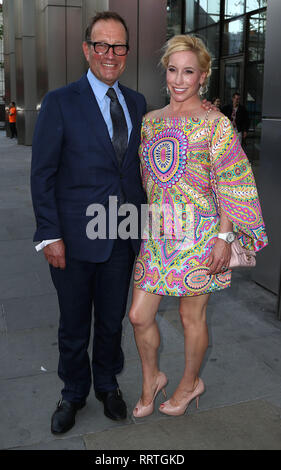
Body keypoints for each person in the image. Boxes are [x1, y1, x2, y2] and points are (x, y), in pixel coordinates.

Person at [129, 35, 268, 418]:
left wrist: (224, 238)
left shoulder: (216, 124)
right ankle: (151, 378)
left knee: (193, 317)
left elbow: (233, 182)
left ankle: (189, 384)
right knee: (139, 315)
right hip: (158, 234)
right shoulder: (149, 123)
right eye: (173, 70)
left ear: (202, 76)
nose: (178, 79)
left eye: (188, 71)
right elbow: (149, 182)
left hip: (202, 237)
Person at [31, 11, 148, 434]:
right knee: (74, 321)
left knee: (113, 319)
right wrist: (49, 235)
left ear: (127, 52)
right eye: (101, 45)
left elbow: (141, 169)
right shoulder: (61, 101)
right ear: (86, 49)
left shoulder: (136, 103)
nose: (110, 54)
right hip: (74, 238)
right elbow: (42, 174)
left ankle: (107, 384)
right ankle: (73, 392)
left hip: (122, 235)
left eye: (118, 46)